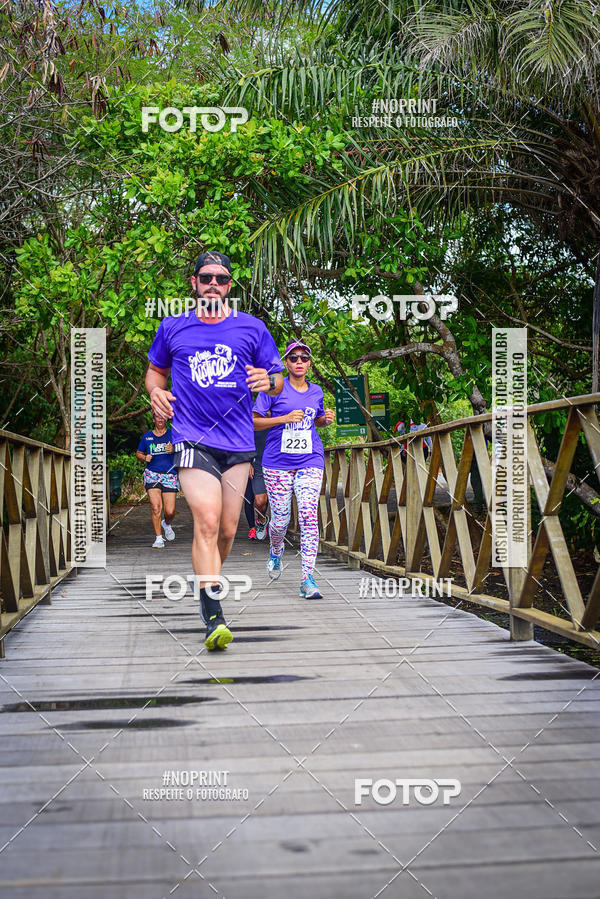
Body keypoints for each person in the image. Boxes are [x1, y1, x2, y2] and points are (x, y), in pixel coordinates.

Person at [146, 251, 284, 650]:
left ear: (229, 286)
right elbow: (155, 371)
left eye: (221, 279)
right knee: (205, 521)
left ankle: (208, 578)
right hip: (191, 437)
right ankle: (214, 617)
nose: (213, 284)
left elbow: (276, 379)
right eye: (205, 276)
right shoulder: (174, 327)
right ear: (193, 282)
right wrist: (156, 391)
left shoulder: (252, 328)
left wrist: (267, 381)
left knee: (227, 529)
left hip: (238, 443)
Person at [253, 340, 335, 599]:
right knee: (281, 520)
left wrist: (324, 419)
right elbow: (254, 422)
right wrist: (283, 419)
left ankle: (307, 578)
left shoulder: (317, 391)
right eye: (294, 358)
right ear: (286, 363)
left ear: (309, 364)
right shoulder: (273, 389)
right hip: (277, 462)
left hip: (310, 459)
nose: (299, 361)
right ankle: (275, 551)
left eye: (304, 358)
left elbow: (316, 420)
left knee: (309, 514)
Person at [135, 412, 179, 547]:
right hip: (152, 474)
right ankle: (159, 538)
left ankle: (167, 523)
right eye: (157, 417)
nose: (160, 419)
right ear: (153, 420)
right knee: (155, 507)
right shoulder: (147, 437)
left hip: (169, 474)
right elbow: (138, 453)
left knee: (170, 511)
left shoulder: (173, 434)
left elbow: (185, 449)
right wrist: (144, 458)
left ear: (166, 419)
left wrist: (174, 448)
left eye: (162, 417)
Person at [244, 427, 269, 540]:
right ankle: (252, 528)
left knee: (262, 499)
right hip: (251, 462)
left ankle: (261, 520)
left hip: (268, 462)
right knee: (249, 496)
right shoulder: (249, 419)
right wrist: (247, 462)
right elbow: (243, 441)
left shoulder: (277, 418)